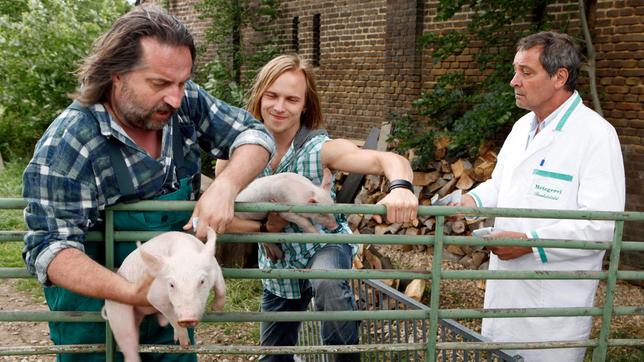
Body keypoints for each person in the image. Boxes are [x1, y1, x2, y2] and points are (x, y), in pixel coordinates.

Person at [22, 4, 274, 362]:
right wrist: (135, 293)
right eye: (159, 83)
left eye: (182, 82)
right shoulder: (68, 143)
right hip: (94, 322)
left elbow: (254, 134)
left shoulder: (184, 103)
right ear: (117, 75)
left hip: (172, 310)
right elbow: (51, 249)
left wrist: (226, 185)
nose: (175, 97)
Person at [215, 54, 419, 362]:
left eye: (291, 99)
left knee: (328, 282)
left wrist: (401, 187)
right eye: (272, 95)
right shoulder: (235, 154)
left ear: (305, 105)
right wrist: (264, 230)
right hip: (278, 264)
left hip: (324, 244)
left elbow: (385, 160)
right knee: (273, 358)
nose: (280, 107)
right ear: (259, 97)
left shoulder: (319, 149)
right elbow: (223, 213)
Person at [457, 31, 625, 361]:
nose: (513, 81)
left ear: (560, 76)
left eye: (526, 72)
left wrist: (530, 242)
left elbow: (602, 227)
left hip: (552, 310)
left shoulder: (596, 136)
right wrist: (471, 201)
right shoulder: (522, 128)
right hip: (504, 293)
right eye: (515, 71)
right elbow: (501, 184)